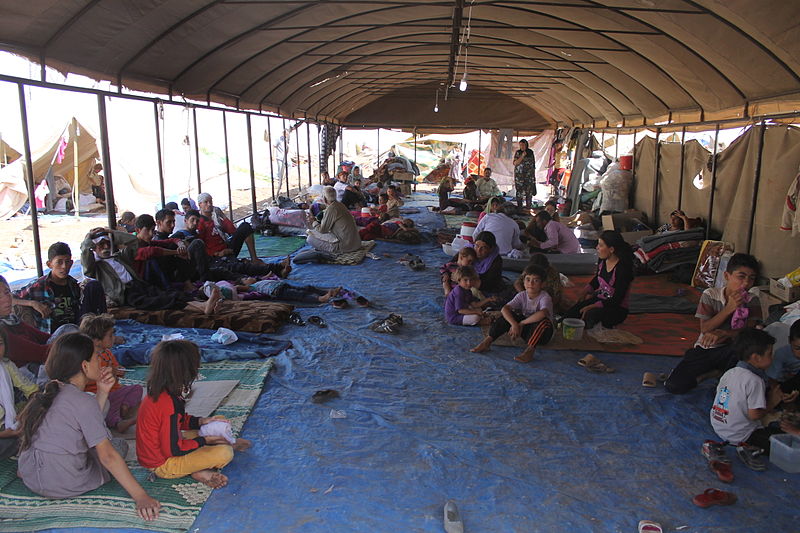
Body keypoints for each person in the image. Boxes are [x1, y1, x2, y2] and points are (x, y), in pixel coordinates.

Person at [16, 333, 161, 520]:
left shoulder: (48, 392)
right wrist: (141, 497)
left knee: (89, 437)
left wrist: (102, 391)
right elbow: (107, 457)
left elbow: (88, 421)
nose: (100, 361)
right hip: (65, 483)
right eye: (96, 357)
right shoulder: (82, 401)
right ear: (84, 366)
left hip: (31, 478)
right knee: (117, 446)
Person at [136, 340, 250, 489]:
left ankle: (203, 462)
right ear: (185, 369)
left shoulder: (166, 391)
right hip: (163, 464)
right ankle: (200, 469)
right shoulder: (166, 403)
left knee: (218, 421)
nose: (198, 368)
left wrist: (202, 421)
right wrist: (205, 441)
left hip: (170, 444)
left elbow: (179, 421)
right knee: (224, 453)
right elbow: (174, 450)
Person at [664, 253, 763, 394]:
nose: (746, 283)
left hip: (733, 351)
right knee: (675, 385)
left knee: (729, 389)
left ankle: (722, 375)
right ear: (727, 276)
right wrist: (729, 308)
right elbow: (705, 328)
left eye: (751, 279)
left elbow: (751, 333)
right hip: (707, 348)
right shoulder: (710, 295)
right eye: (741, 277)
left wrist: (726, 333)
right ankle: (714, 373)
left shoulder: (752, 300)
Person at [709, 328, 787, 469]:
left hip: (719, 426)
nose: (773, 356)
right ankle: (747, 448)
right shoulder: (754, 381)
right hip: (740, 435)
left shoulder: (731, 372)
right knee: (783, 442)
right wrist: (772, 403)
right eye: (770, 354)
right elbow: (754, 415)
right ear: (756, 358)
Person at [13, 242, 106, 333]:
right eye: (59, 262)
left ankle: (104, 329)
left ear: (71, 263)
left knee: (93, 285)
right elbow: (9, 297)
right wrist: (32, 303)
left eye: (67, 262)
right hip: (55, 334)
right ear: (49, 264)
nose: (64, 267)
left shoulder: (72, 283)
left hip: (76, 328)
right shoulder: (40, 285)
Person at [471, 264, 554, 363]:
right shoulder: (522, 295)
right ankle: (488, 341)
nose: (531, 283)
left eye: (535, 280)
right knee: (507, 316)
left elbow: (543, 313)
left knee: (544, 322)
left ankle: (529, 351)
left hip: (542, 335)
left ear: (543, 284)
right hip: (525, 330)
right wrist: (514, 324)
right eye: (528, 279)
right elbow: (504, 309)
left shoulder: (545, 297)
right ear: (523, 282)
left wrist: (521, 323)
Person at [80, 313, 142, 432]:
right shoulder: (87, 358)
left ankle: (125, 407)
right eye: (110, 335)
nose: (114, 337)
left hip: (114, 390)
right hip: (98, 394)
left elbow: (116, 368)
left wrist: (119, 371)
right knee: (106, 405)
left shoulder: (107, 353)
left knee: (137, 389)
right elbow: (84, 380)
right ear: (97, 341)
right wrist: (107, 375)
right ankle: (118, 423)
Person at [563, 230, 634, 329]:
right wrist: (585, 291)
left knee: (590, 315)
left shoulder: (623, 269)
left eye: (600, 245)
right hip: (601, 299)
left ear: (611, 249)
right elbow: (597, 278)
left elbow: (616, 300)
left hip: (616, 308)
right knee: (572, 312)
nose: (597, 248)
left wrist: (593, 306)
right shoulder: (603, 260)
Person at [0, 325, 39, 460]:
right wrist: (6, 434)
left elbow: (34, 392)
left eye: (0, 344)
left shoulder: (7, 366)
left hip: (10, 424)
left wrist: (24, 414)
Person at [197, 192, 263, 265]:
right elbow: (200, 244)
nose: (209, 204)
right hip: (217, 255)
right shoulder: (199, 221)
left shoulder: (215, 217)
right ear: (200, 204)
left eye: (210, 201)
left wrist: (223, 216)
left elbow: (232, 231)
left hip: (227, 248)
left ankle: (254, 259)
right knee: (237, 267)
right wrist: (217, 253)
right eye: (206, 202)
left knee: (245, 227)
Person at [0, 275, 51, 366]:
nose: (6, 299)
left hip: (42, 359)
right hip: (26, 374)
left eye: (7, 292)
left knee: (67, 329)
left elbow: (42, 337)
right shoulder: (2, 332)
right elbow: (40, 353)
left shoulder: (12, 320)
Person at [304, 186, 361, 255]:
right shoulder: (340, 205)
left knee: (310, 238)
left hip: (345, 247)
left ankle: (333, 250)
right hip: (356, 243)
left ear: (324, 198)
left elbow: (323, 230)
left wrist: (313, 222)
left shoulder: (331, 209)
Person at [766, 319, 800, 397]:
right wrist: (780, 396)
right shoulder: (781, 355)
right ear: (789, 341)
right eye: (798, 348)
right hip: (784, 383)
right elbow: (772, 379)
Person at [512, 139, 536, 209]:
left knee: (529, 192)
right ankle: (519, 207)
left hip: (529, 176)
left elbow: (533, 165)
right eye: (520, 145)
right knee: (519, 192)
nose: (522, 146)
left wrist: (533, 176)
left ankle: (528, 207)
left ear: (526, 145)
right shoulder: (518, 153)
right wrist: (522, 156)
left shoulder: (530, 152)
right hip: (519, 176)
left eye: (523, 145)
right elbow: (515, 163)